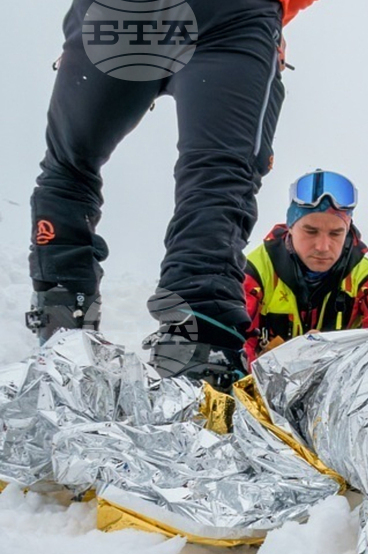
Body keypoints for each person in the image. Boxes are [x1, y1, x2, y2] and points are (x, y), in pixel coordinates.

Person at [25, 0, 320, 388]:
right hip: (228, 18)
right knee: (218, 176)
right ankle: (198, 345)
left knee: (69, 166)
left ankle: (62, 321)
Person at [243, 170, 368, 362]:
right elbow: (232, 344)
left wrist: (331, 353)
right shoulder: (254, 273)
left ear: (347, 232)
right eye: (311, 231)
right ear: (291, 227)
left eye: (336, 234)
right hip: (257, 388)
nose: (322, 247)